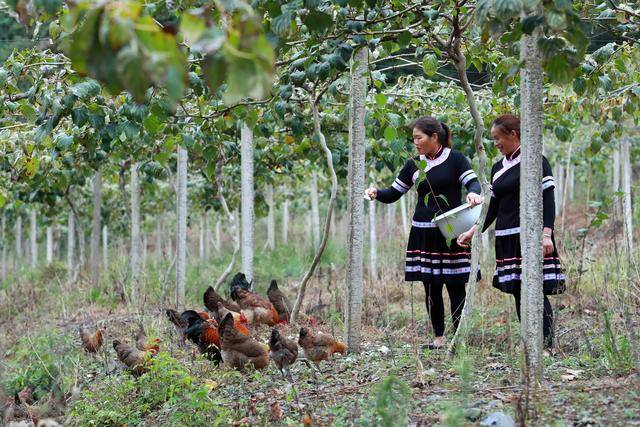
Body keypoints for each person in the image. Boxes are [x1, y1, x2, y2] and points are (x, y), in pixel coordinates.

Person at [365, 116, 482, 349]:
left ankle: (457, 338)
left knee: (456, 284)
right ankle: (439, 338)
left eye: (419, 138)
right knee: (431, 286)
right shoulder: (413, 164)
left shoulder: (457, 159)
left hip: (451, 233)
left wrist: (473, 194)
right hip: (424, 234)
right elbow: (394, 193)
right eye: (413, 139)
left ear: (434, 137)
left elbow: (473, 183)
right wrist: (376, 192)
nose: (415, 143)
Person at [457, 114, 565, 349]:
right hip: (506, 237)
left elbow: (548, 198)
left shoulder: (535, 160)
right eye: (493, 139)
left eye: (498, 138)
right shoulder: (498, 167)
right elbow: (492, 208)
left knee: (534, 289)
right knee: (517, 290)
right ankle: (530, 341)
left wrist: (546, 234)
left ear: (513, 134)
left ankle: (546, 345)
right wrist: (473, 231)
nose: (495, 143)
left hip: (530, 236)